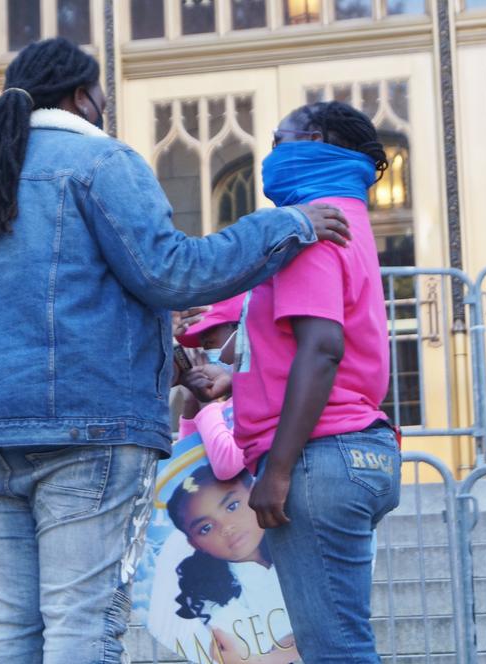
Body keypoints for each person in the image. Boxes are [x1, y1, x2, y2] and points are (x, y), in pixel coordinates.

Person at [0, 37, 352, 664]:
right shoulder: (101, 163)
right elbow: (171, 272)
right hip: (88, 428)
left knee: (7, 624)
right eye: (103, 99)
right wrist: (289, 224)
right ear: (81, 96)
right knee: (81, 619)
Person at [234, 101, 402, 662]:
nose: (271, 153)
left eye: (279, 140)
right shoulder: (350, 217)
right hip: (351, 453)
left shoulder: (314, 224)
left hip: (316, 460)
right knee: (340, 644)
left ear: (314, 140)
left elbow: (323, 347)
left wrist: (277, 470)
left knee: (336, 650)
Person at [167, 465, 299, 664]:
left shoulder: (299, 552)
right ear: (195, 544)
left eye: (232, 506)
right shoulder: (214, 600)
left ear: (254, 493)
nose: (226, 527)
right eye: (206, 528)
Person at [175, 295, 245, 480]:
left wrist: (207, 401)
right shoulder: (226, 402)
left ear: (240, 329)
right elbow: (188, 465)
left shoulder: (260, 395)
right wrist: (191, 403)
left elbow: (226, 464)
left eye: (211, 331)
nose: (203, 342)